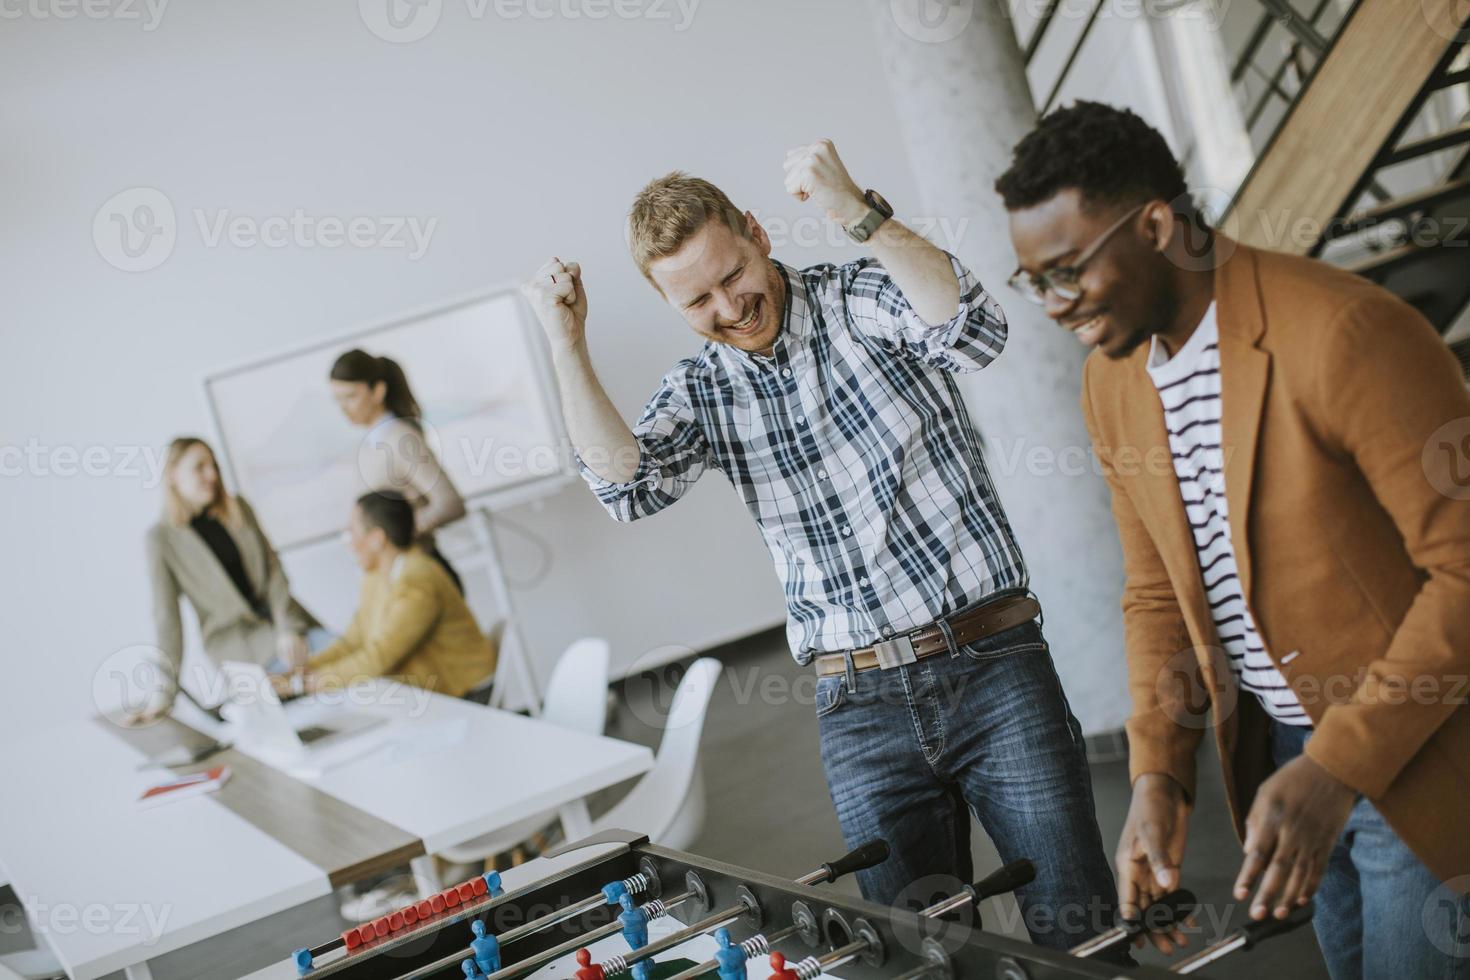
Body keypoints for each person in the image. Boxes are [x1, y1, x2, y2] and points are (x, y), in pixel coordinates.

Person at [520, 140, 1123, 955]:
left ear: (759, 234)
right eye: (697, 299)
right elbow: (628, 490)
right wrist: (566, 345)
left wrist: (857, 212)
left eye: (732, 275)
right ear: (671, 305)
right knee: (918, 959)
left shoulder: (861, 295)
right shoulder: (701, 387)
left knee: (1076, 928)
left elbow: (974, 331)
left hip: (993, 666)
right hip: (858, 704)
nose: (729, 307)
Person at [996, 100, 1470, 977]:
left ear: (1157, 226)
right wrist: (1157, 777)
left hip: (1423, 758)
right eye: (1035, 281)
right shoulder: (1114, 384)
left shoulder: (1343, 332)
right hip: (1286, 759)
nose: (1055, 306)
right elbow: (1154, 595)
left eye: (1067, 270)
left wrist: (1337, 765)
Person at [139, 436, 318, 724]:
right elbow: (166, 620)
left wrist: (287, 629)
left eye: (214, 466)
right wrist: (164, 694)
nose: (212, 475)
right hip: (241, 648)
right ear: (173, 475)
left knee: (354, 661)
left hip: (289, 626)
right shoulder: (161, 540)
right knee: (312, 694)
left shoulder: (238, 509)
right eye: (199, 467)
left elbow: (274, 573)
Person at [281, 491, 495, 697]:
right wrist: (305, 670)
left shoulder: (419, 580)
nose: (349, 543)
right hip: (431, 690)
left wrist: (302, 685)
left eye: (352, 533)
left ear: (377, 539)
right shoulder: (376, 576)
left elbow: (380, 657)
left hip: (466, 691)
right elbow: (354, 641)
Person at [330, 348, 467, 593]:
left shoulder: (401, 439)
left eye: (350, 397)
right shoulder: (369, 444)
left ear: (378, 391)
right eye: (338, 400)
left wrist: (394, 535)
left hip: (424, 575)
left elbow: (450, 503)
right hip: (399, 577)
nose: (343, 409)